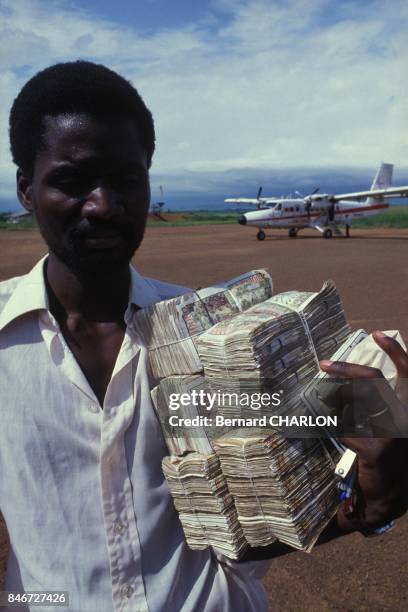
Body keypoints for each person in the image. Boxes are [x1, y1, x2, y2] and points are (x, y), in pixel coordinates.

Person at [1, 61, 407, 612]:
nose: (103, 205)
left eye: (125, 178)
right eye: (72, 181)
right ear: (26, 188)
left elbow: (249, 524)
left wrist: (367, 507)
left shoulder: (217, 336)